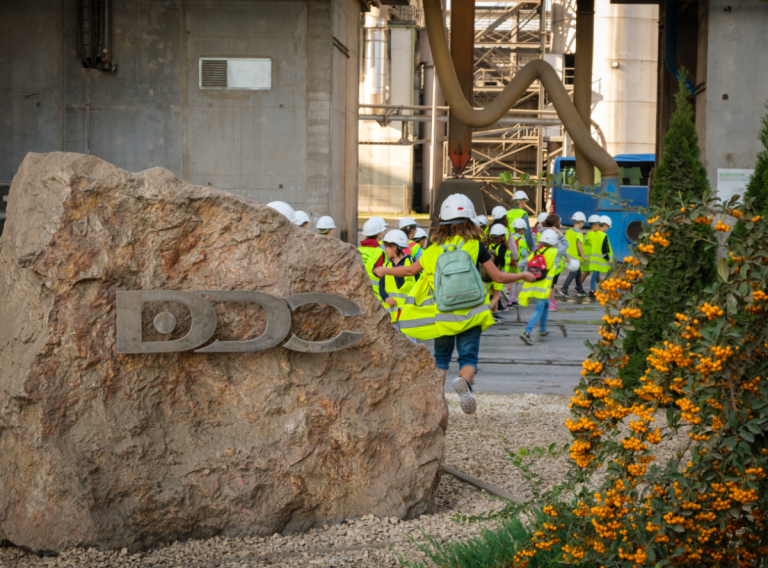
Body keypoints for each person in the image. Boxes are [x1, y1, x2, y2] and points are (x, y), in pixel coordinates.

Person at [374, 193, 535, 415]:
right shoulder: (475, 246)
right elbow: (498, 277)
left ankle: (438, 403)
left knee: (441, 360)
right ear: (470, 220)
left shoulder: (432, 250)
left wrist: (385, 270)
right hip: (472, 314)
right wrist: (523, 276)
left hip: (443, 314)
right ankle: (464, 383)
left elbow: (410, 270)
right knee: (469, 358)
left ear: (442, 222)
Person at [519, 229, 562, 345]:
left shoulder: (535, 253)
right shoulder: (554, 252)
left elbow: (521, 264)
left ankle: (542, 330)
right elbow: (566, 245)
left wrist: (519, 274)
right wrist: (560, 233)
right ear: (553, 243)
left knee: (546, 305)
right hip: (543, 289)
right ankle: (526, 332)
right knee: (539, 310)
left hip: (534, 285)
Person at [378, 229, 419, 326]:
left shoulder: (412, 264)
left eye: (386, 247)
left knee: (410, 341)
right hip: (392, 316)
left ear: (394, 247)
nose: (385, 250)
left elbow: (420, 285)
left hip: (409, 315)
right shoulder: (386, 265)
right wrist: (386, 298)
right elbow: (381, 285)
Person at [540, 214, 568, 311]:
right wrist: (567, 257)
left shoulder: (544, 231)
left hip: (546, 260)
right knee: (551, 284)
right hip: (553, 262)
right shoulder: (555, 233)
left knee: (551, 283)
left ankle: (550, 300)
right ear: (556, 223)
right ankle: (548, 302)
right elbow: (563, 245)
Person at [359, 217, 388, 302]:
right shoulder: (379, 252)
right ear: (378, 234)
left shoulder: (358, 250)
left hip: (359, 291)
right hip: (374, 294)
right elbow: (380, 274)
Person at [559, 212, 588, 297]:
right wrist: (583, 255)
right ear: (581, 222)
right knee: (572, 274)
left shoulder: (568, 231)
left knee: (578, 273)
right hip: (574, 258)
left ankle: (580, 290)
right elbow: (579, 244)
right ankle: (564, 289)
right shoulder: (578, 233)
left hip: (567, 256)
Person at [487, 224, 513, 321]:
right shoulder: (503, 247)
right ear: (502, 236)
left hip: (488, 275)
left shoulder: (488, 245)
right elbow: (500, 258)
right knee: (496, 297)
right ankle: (484, 313)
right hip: (497, 274)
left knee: (494, 295)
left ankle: (495, 315)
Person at [587, 215, 614, 296]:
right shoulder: (604, 235)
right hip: (603, 260)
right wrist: (608, 259)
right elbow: (604, 249)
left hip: (595, 260)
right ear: (605, 225)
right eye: (608, 227)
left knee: (594, 275)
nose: (608, 229)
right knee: (609, 273)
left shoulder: (595, 234)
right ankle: (606, 289)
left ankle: (592, 291)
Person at [508, 217, 530, 307]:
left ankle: (513, 299)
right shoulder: (522, 240)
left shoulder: (510, 237)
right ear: (521, 229)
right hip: (519, 263)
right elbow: (524, 252)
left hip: (511, 262)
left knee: (513, 282)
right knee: (514, 283)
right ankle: (511, 301)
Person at [581, 214, 601, 292]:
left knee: (588, 273)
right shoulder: (595, 235)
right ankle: (578, 286)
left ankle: (601, 287)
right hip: (592, 257)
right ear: (595, 225)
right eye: (599, 225)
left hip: (587, 257)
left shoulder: (589, 233)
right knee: (592, 273)